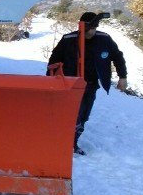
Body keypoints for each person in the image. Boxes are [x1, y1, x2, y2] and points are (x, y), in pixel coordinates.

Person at [48, 12, 128, 155]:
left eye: (95, 27)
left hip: (90, 85)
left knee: (83, 116)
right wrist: (50, 81)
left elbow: (118, 56)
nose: (93, 31)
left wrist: (122, 76)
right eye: (90, 28)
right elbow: (53, 60)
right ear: (82, 26)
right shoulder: (68, 39)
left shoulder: (104, 39)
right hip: (70, 85)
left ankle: (72, 143)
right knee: (71, 115)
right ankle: (61, 143)